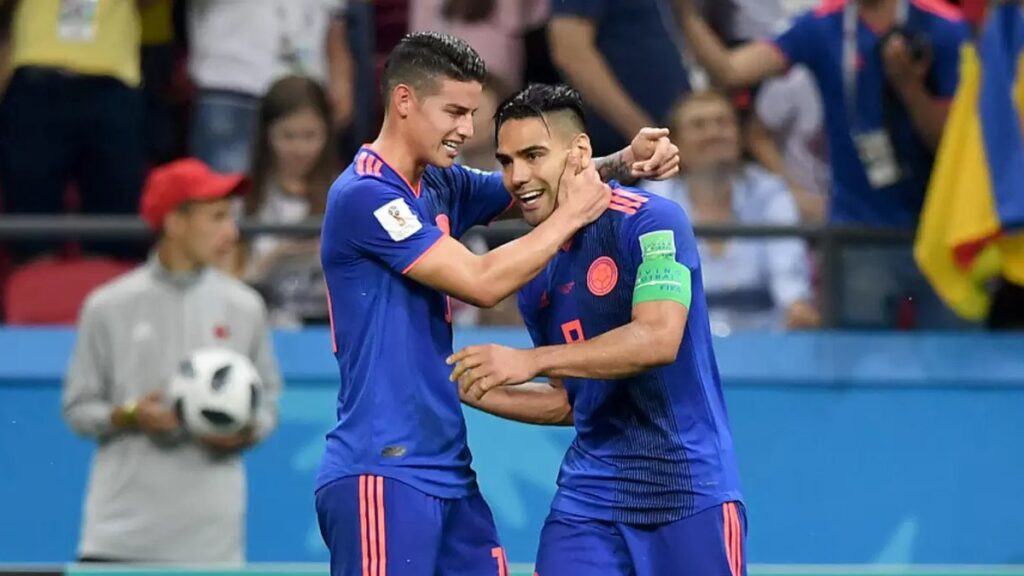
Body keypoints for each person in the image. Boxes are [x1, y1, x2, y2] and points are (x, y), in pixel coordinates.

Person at [314, 31, 680, 576]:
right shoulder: (365, 196)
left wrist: (623, 160)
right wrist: (573, 216)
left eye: (472, 112)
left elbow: (533, 184)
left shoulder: (438, 183)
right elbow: (482, 282)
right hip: (381, 467)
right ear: (405, 102)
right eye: (455, 112)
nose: (467, 128)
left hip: (447, 471)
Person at [448, 84, 745, 575]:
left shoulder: (652, 222)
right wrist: (474, 388)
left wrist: (529, 361)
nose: (517, 176)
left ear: (580, 152)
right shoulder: (536, 276)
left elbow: (658, 338)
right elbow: (571, 402)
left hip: (686, 491)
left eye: (533, 155)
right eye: (506, 161)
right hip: (589, 500)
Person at [676, 0, 973, 329]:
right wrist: (685, 15)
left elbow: (951, 142)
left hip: (943, 231)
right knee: (855, 369)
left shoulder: (943, 25)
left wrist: (910, 87)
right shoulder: (822, 24)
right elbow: (731, 70)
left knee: (958, 365)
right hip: (857, 232)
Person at [62, 158, 283, 563]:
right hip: (120, 540)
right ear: (175, 222)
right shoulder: (107, 306)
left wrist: (247, 428)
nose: (231, 233)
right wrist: (130, 414)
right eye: (216, 217)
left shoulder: (245, 306)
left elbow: (268, 402)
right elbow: (79, 409)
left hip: (213, 545)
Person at [645, 91, 819, 332]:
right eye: (699, 125)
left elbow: (789, 283)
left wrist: (797, 307)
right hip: (682, 346)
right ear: (676, 145)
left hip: (763, 346)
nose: (714, 133)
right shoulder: (654, 201)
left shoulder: (770, 194)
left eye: (722, 123)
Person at [237, 74, 339, 327]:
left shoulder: (351, 192)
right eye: (288, 136)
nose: (300, 148)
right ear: (267, 135)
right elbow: (231, 283)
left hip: (335, 329)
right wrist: (278, 255)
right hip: (266, 324)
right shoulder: (244, 198)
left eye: (310, 135)